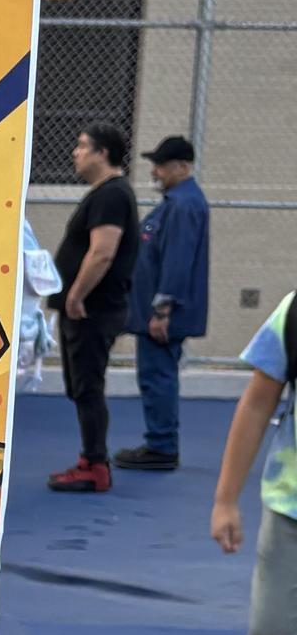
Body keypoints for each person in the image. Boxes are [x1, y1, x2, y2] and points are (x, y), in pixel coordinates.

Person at [210, 288, 297, 635]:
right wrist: (225, 499)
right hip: (291, 506)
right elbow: (257, 400)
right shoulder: (295, 311)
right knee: (270, 632)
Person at [46, 124, 141, 492]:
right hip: (87, 309)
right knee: (82, 385)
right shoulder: (104, 194)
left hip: (92, 310)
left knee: (88, 386)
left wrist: (77, 295)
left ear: (103, 154)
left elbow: (103, 251)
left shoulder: (112, 195)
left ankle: (95, 465)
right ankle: (91, 458)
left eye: (83, 146)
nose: (75, 152)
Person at [114, 135, 210, 472]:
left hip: (162, 316)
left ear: (183, 167)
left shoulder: (183, 205)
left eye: (162, 165)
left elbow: (177, 260)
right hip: (155, 312)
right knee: (156, 374)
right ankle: (160, 442)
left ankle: (161, 446)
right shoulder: (176, 202)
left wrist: (161, 310)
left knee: (158, 375)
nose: (155, 171)